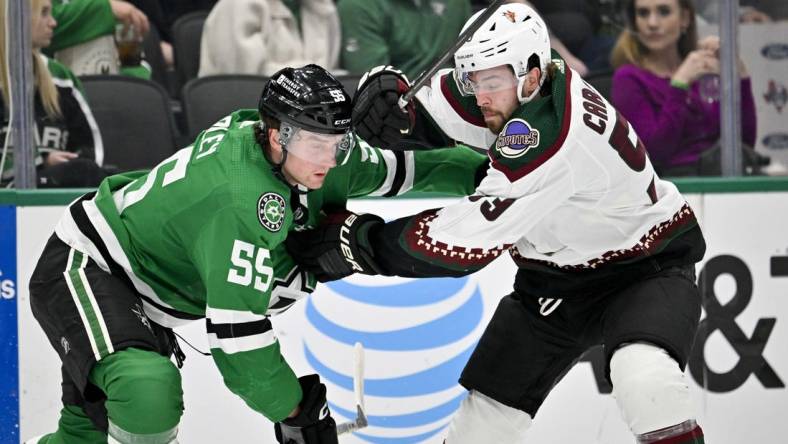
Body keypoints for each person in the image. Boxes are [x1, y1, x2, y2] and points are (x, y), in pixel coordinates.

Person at [286, 4, 708, 443]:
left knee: (645, 380)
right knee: (480, 427)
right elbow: (431, 108)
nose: (480, 95)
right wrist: (391, 94)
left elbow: (463, 241)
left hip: (642, 270)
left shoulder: (554, 134)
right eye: (474, 78)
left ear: (530, 74)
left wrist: (360, 241)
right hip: (553, 282)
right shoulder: (513, 79)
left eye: (490, 82)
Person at [26, 64, 486, 443]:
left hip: (148, 286)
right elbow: (237, 343)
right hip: (89, 265)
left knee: (85, 433)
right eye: (314, 144)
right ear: (275, 135)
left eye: (337, 142)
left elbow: (410, 171)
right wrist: (297, 410)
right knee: (147, 395)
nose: (328, 158)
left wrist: (506, 170)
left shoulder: (315, 152)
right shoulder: (241, 200)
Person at [610, 0, 758, 176]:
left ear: (685, 18)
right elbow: (653, 153)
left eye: (664, 12)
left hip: (722, 179)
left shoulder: (701, 69)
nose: (652, 23)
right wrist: (679, 84)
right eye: (643, 13)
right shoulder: (628, 78)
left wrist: (738, 73)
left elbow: (744, 141)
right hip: (674, 186)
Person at [0, 0, 105, 188]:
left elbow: (90, 150)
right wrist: (43, 162)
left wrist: (68, 164)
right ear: (16, 18)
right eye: (44, 13)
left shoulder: (61, 77)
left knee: (85, 171)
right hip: (7, 199)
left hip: (58, 194)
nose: (53, 22)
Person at [198, 0, 341, 77]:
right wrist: (313, 74)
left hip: (308, 115)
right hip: (245, 117)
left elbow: (330, 68)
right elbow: (244, 79)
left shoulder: (323, 7)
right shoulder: (238, 4)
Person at [337, 0, 471, 80]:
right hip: (400, 109)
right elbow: (373, 85)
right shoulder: (358, 5)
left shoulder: (458, 3)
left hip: (460, 95)